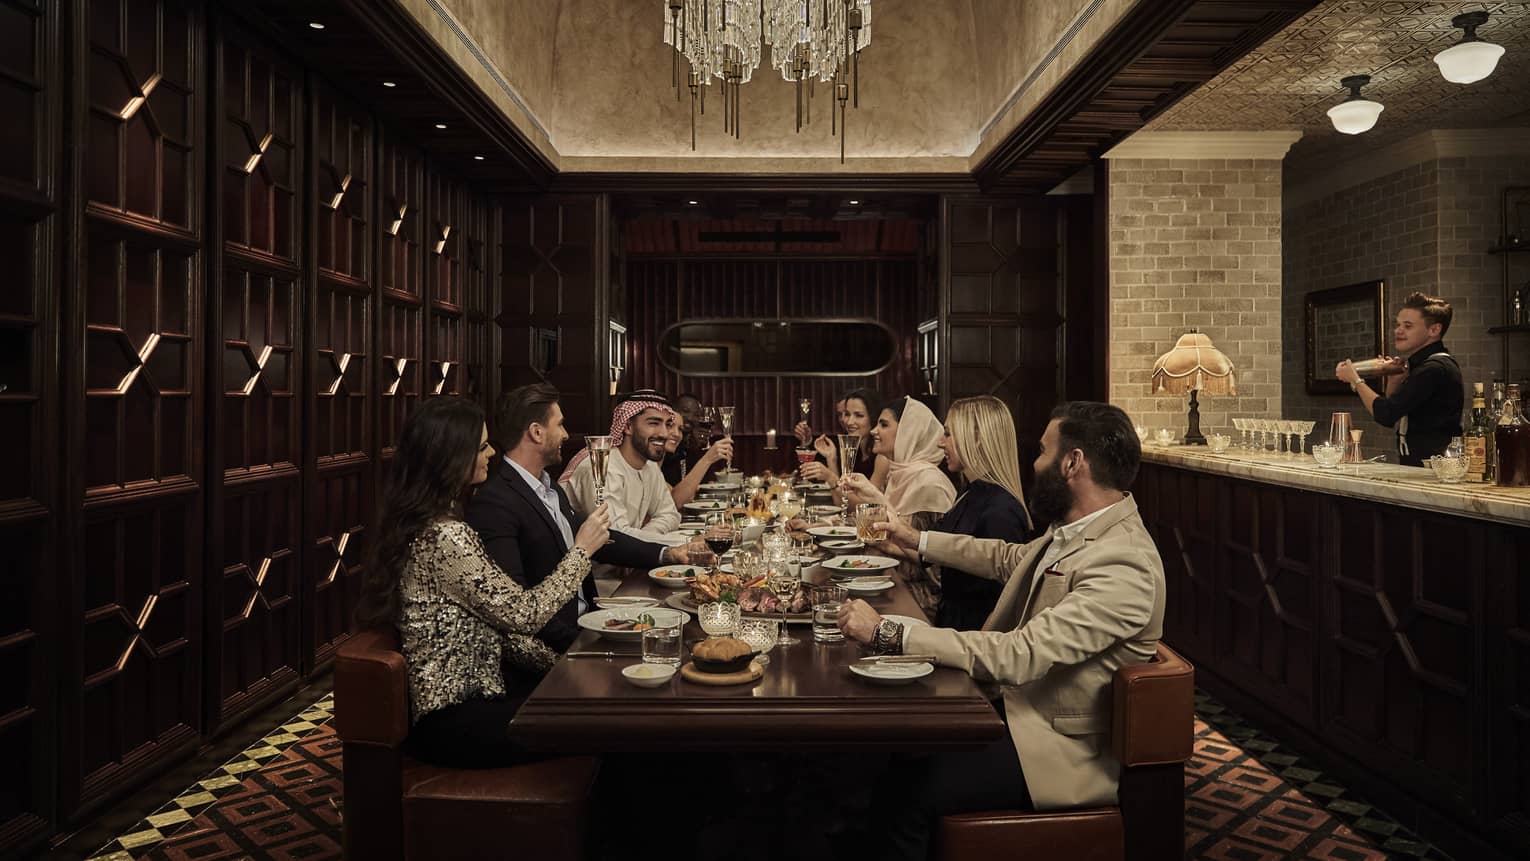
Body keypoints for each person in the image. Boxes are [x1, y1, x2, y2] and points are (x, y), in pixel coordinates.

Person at [837, 401, 1165, 860]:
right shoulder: (1077, 530)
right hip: (1014, 710)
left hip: (1051, 747)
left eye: (1043, 451)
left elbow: (1019, 654)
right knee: (890, 753)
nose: (1034, 463)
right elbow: (1006, 557)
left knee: (905, 792)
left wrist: (889, 632)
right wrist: (915, 539)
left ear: (1072, 463)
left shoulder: (1124, 562)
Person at [354, 396, 611, 769]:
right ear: (451, 458)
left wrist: (569, 664)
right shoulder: (446, 537)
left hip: (477, 702)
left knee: (604, 705)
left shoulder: (433, 525)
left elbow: (505, 630)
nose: (492, 453)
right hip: (456, 720)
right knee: (609, 724)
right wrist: (582, 551)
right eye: (482, 446)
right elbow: (524, 614)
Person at [465, 384, 691, 665]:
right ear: (536, 432)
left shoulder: (549, 488)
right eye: (560, 424)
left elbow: (602, 539)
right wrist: (584, 644)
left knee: (677, 631)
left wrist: (666, 555)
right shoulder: (495, 503)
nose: (565, 434)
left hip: (589, 623)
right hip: (558, 648)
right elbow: (516, 611)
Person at [846, 395, 1033, 629]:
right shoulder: (972, 493)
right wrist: (891, 543)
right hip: (949, 623)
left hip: (962, 634)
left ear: (975, 439)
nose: (940, 443)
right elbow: (939, 554)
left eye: (948, 434)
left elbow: (996, 607)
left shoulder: (1001, 510)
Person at [1335, 291, 1463, 466]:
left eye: (1408, 326)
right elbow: (1396, 408)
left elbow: (1385, 414)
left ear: (1434, 330)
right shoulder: (1422, 366)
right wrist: (1394, 381)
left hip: (1434, 467)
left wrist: (1356, 380)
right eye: (1398, 325)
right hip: (1419, 463)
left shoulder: (1433, 368)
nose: (1398, 331)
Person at [561, 391, 684, 542]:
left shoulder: (649, 465)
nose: (664, 434)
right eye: (654, 423)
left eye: (668, 424)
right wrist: (683, 543)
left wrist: (646, 536)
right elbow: (615, 535)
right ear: (627, 426)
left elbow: (670, 515)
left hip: (628, 554)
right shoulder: (601, 466)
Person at [800, 388, 889, 500]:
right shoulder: (855, 450)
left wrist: (831, 478)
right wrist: (831, 458)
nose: (849, 422)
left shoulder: (882, 457)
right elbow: (841, 501)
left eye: (859, 415)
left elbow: (868, 506)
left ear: (874, 418)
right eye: (847, 414)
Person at [664, 410, 734, 507]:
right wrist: (708, 458)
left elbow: (686, 495)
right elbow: (675, 502)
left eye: (680, 429)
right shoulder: (650, 463)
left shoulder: (684, 450)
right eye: (669, 426)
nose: (676, 434)